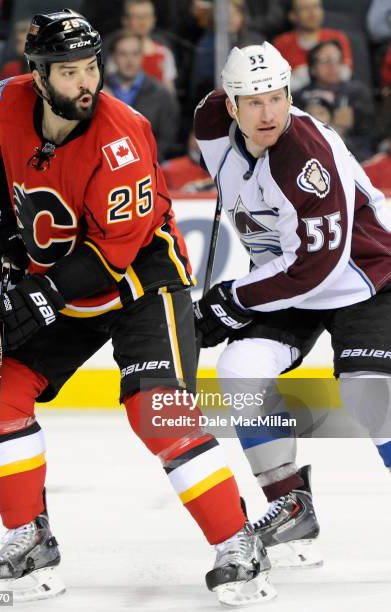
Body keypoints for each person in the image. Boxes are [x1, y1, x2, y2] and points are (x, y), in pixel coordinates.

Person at [0, 10, 276, 606]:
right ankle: (29, 538)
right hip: (59, 274)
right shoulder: (2, 102)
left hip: (141, 281)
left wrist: (37, 298)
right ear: (37, 74)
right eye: (69, 71)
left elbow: (113, 254)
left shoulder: (121, 132)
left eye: (91, 67)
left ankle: (238, 544)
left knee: (157, 412)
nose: (86, 82)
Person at [194, 41, 391, 568]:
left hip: (362, 278)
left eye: (277, 98)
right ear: (231, 105)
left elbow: (315, 269)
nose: (268, 113)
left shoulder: (307, 161)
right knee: (238, 372)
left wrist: (232, 299)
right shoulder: (213, 124)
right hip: (289, 283)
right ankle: (290, 503)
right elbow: (293, 273)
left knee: (370, 395)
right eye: (253, 101)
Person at [104, 30, 179, 161]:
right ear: (114, 57)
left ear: (142, 56)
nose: (129, 60)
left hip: (148, 166)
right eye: (123, 54)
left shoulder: (161, 94)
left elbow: (167, 140)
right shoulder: (99, 92)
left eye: (135, 53)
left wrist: (144, 162)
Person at [294, 39, 375, 160]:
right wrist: (308, 121)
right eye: (324, 60)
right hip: (314, 157)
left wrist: (356, 117)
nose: (332, 65)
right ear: (312, 68)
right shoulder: (298, 96)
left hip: (358, 156)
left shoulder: (357, 91)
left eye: (336, 59)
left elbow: (373, 128)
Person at [272, 0, 353, 90]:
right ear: (293, 16)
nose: (312, 13)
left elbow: (345, 73)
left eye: (316, 7)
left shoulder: (337, 37)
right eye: (305, 9)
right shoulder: (282, 43)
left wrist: (301, 74)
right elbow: (279, 82)